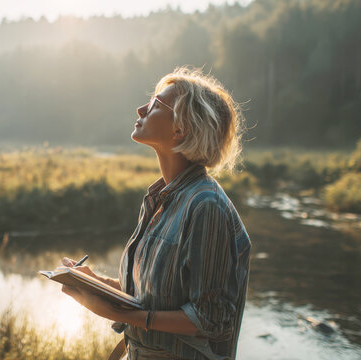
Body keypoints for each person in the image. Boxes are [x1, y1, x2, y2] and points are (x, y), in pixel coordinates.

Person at [61, 67, 252, 360]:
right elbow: (150, 297)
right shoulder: (158, 199)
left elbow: (211, 319)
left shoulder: (205, 206)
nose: (141, 108)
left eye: (155, 104)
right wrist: (94, 282)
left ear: (181, 128)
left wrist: (116, 313)